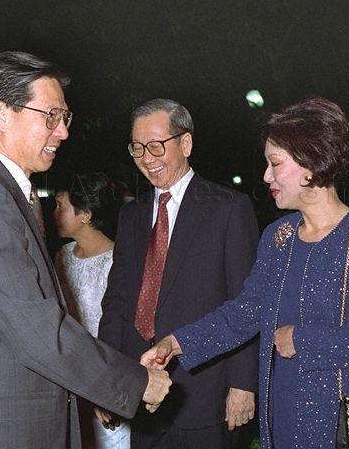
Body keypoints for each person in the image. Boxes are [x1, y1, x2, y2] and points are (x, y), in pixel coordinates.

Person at [0, 51, 171, 449]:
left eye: (65, 118)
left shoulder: (0, 191)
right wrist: (135, 382)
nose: (63, 132)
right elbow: (37, 331)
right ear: (2, 113)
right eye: (50, 116)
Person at [142, 96, 349, 449]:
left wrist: (301, 339)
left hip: (343, 427)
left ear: (311, 164)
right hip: (279, 418)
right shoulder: (278, 237)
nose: (266, 175)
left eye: (275, 163)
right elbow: (246, 311)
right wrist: (176, 343)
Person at [98, 98, 260, 449]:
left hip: (207, 393)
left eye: (156, 146)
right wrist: (108, 378)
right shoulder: (131, 216)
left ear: (185, 143)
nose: (147, 158)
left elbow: (247, 303)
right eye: (138, 148)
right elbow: (118, 301)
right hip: (143, 392)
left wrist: (243, 383)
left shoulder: (229, 208)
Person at [52, 173, 130, 448]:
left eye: (61, 206)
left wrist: (107, 391)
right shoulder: (61, 257)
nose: (55, 213)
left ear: (84, 214)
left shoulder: (118, 260)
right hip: (72, 376)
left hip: (107, 376)